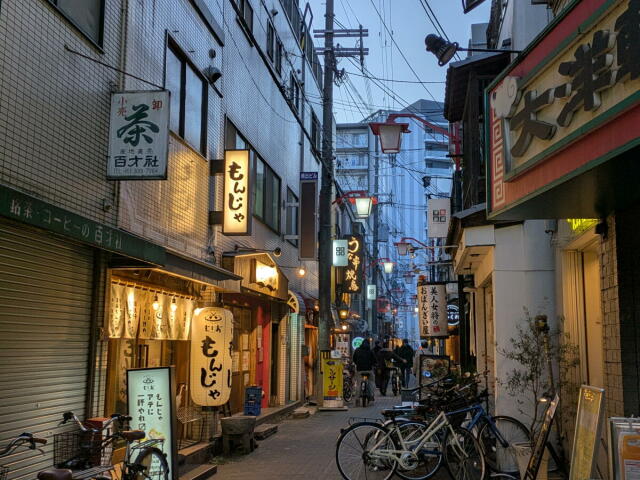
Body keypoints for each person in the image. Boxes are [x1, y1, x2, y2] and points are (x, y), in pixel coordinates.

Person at [352, 338, 377, 403]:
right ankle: (371, 396)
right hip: (369, 370)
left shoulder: (357, 350)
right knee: (371, 382)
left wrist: (357, 364)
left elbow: (354, 359)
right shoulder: (370, 351)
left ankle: (357, 399)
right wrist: (374, 364)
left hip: (359, 370)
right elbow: (374, 360)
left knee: (358, 384)